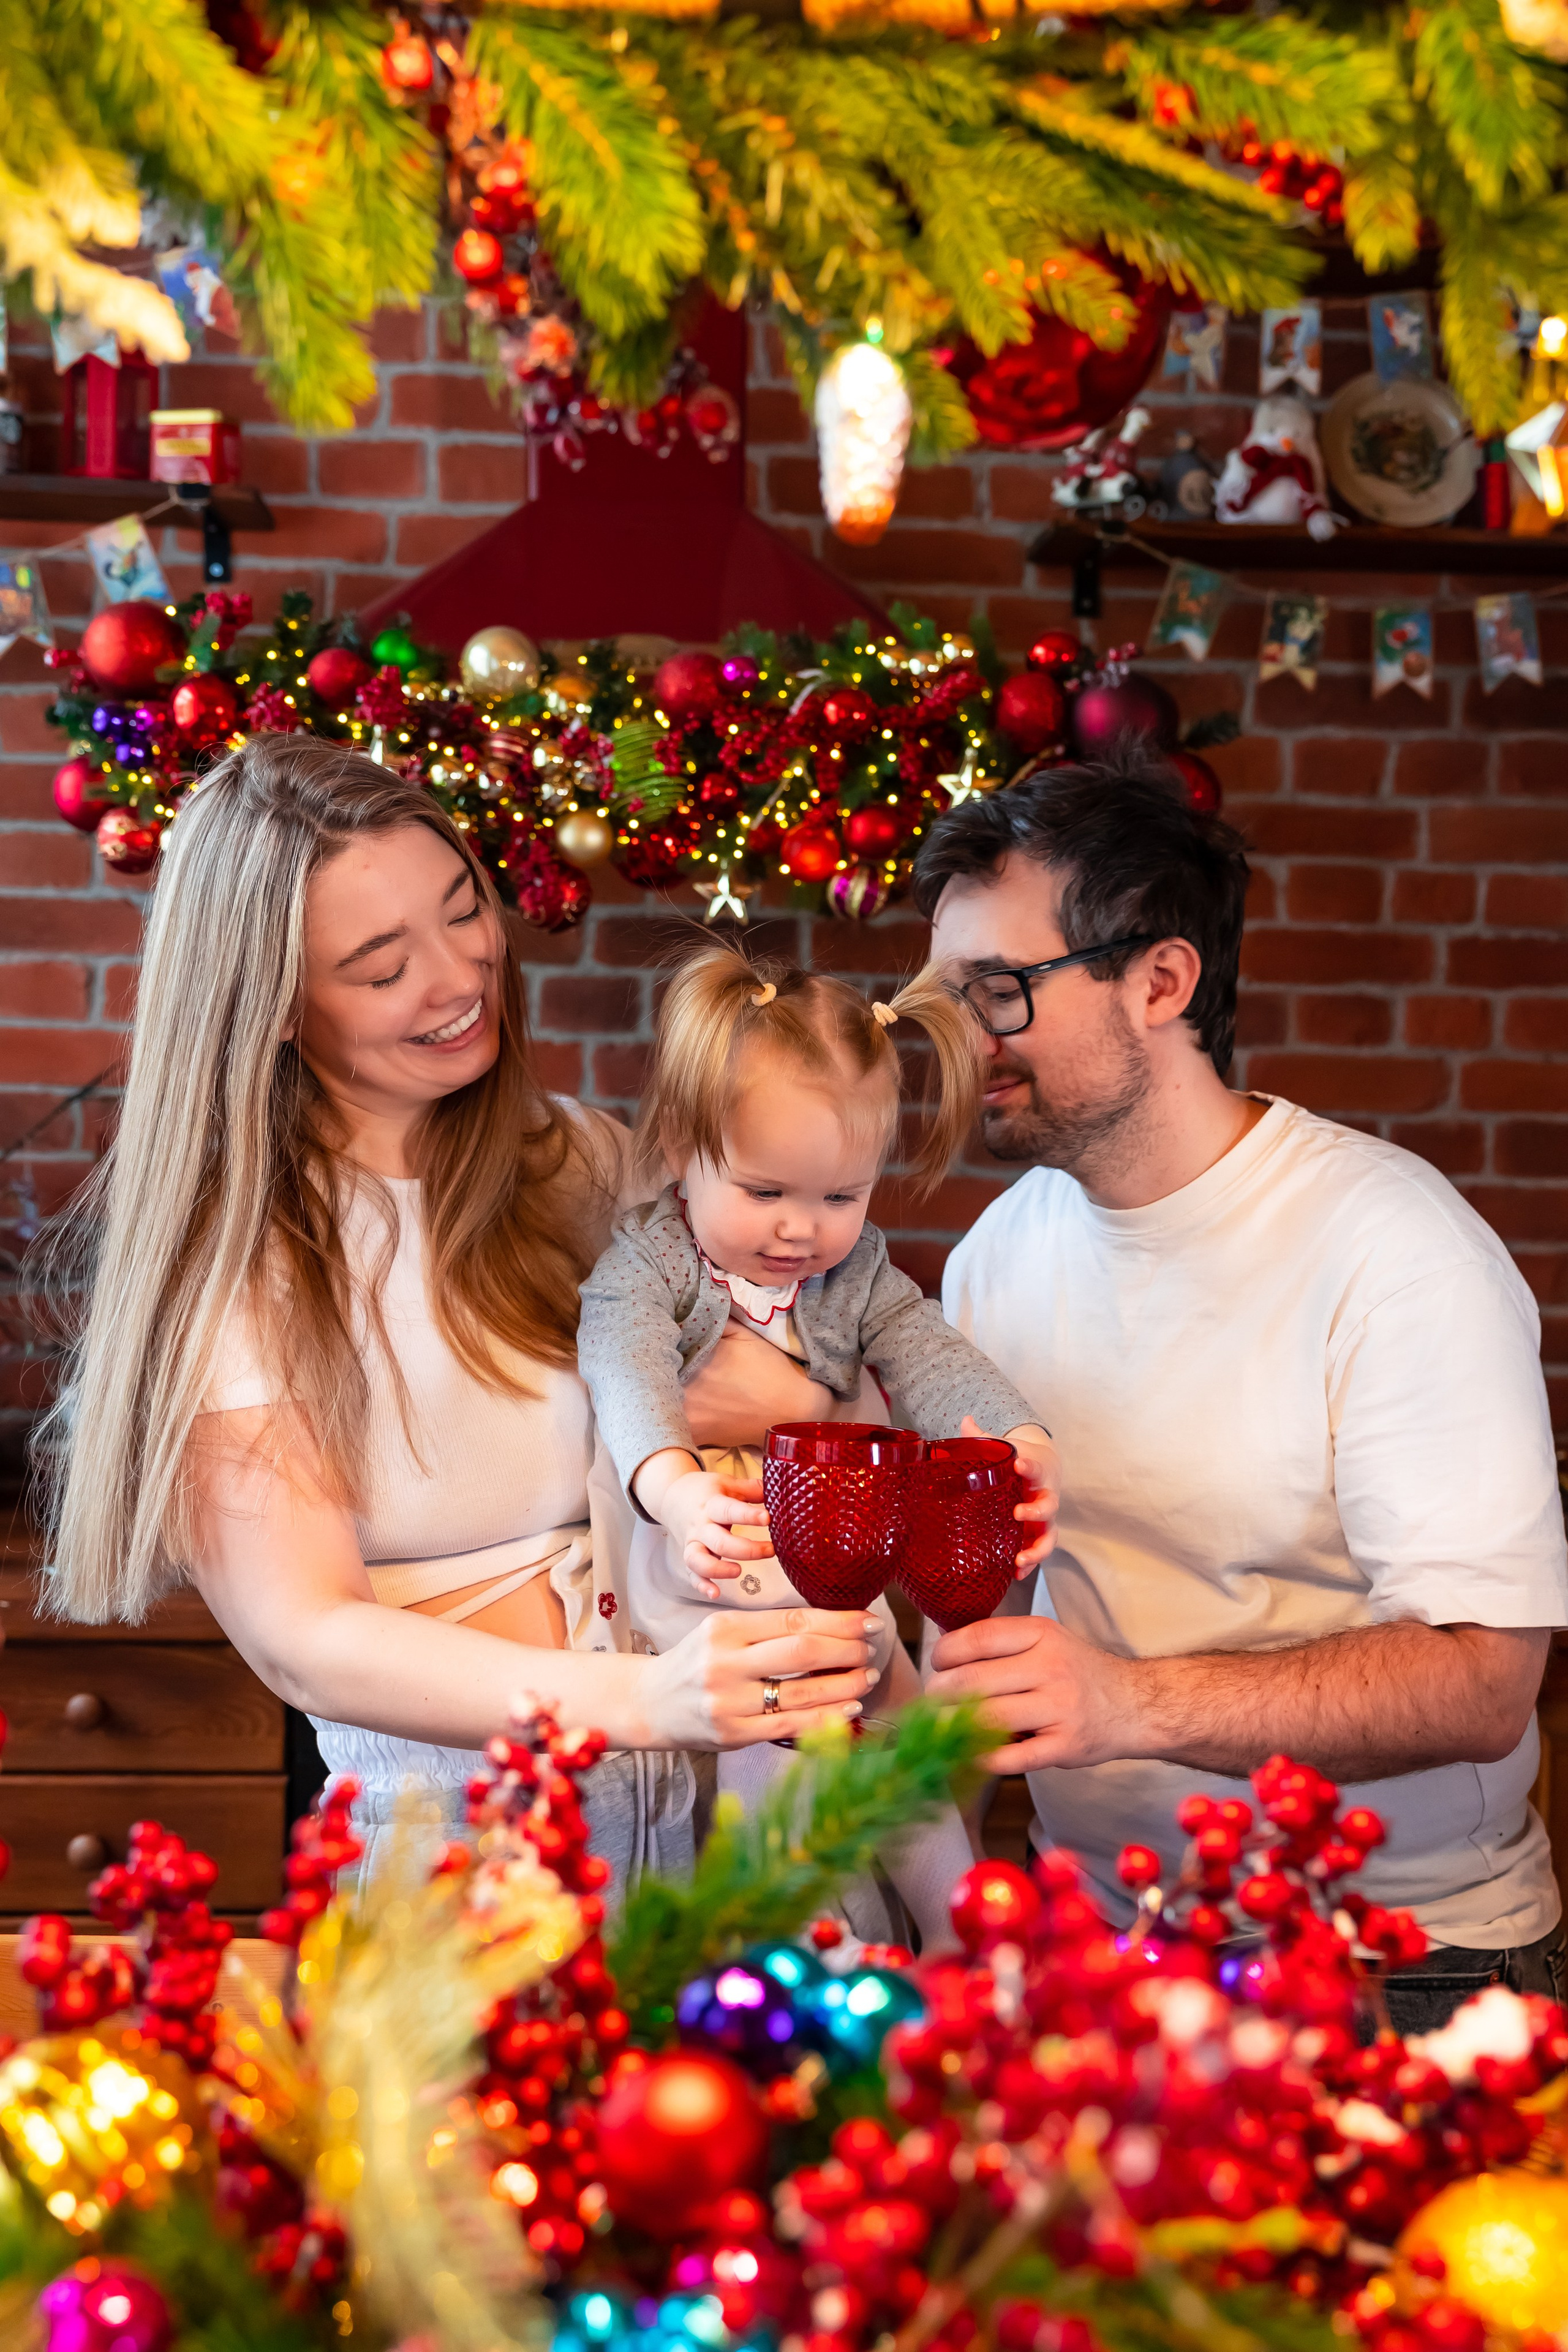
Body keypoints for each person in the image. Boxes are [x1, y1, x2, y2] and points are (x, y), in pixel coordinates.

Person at [35, 737, 881, 1888]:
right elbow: (311, 1639)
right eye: (381, 967)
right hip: (459, 1868)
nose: (459, 977)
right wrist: (644, 1696)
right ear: (274, 1008)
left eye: (462, 911)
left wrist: (783, 1396)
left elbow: (815, 1371)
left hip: (713, 1843)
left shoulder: (586, 1162)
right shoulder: (242, 1267)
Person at [916, 753, 1568, 2033]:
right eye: (941, 999)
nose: (959, 1041)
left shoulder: (1389, 1245)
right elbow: (977, 1629)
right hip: (1093, 1942)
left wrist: (1123, 1704)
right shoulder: (995, 1256)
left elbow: (1484, 1680)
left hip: (1398, 1967)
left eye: (995, 991)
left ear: (1159, 982)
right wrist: (933, 1908)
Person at [578, 940, 1058, 1944]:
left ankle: (963, 1933)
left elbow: (925, 1348)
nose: (802, 1230)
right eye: (765, 1193)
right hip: (718, 1570)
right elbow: (624, 1369)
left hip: (833, 1577)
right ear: (679, 1151)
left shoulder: (856, 1276)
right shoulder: (650, 1263)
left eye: (840, 1198)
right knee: (775, 1749)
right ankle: (796, 1949)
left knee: (896, 1735)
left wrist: (1017, 1436)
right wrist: (671, 1489)